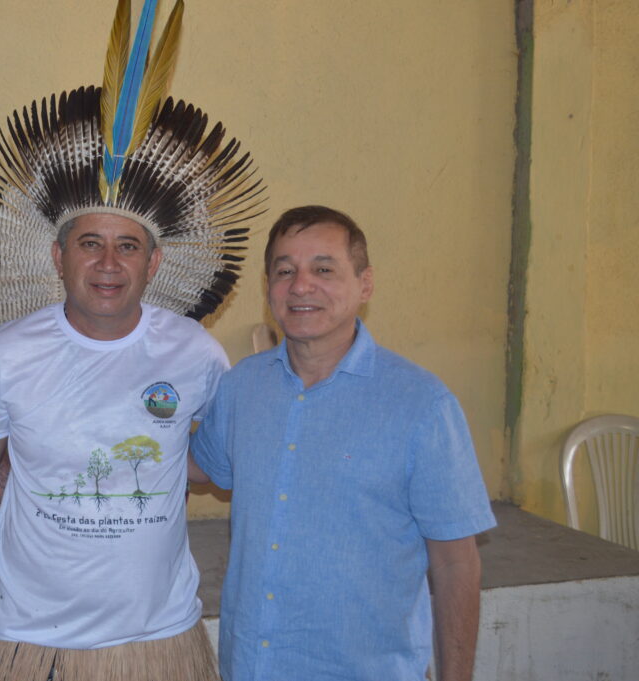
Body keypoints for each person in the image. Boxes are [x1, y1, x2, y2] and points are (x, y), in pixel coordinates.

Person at [0, 3, 265, 678]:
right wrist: (43, 490)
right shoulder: (7, 352)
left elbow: (214, 463)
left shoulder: (195, 353)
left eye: (128, 246)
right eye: (90, 244)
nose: (108, 264)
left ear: (153, 263)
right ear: (58, 255)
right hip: (34, 642)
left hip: (161, 636)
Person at [191, 205, 496, 681]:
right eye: (285, 271)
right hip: (252, 668)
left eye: (324, 269)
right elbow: (194, 466)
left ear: (365, 284)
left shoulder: (422, 405)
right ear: (268, 287)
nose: (301, 286)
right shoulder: (241, 388)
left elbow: (457, 564)